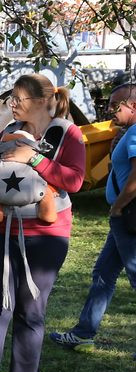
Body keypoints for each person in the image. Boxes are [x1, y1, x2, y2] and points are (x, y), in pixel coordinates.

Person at [0, 73, 87, 372]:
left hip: (46, 237)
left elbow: (75, 181)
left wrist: (32, 158)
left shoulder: (67, 134)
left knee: (31, 312)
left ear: (42, 100)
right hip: (0, 233)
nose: (12, 104)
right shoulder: (7, 132)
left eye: (18, 98)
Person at [49, 83, 136, 354]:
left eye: (115, 105)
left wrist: (118, 206)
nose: (110, 110)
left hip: (127, 216)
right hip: (121, 217)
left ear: (132, 106)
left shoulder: (134, 134)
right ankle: (84, 333)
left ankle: (84, 332)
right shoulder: (127, 134)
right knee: (103, 274)